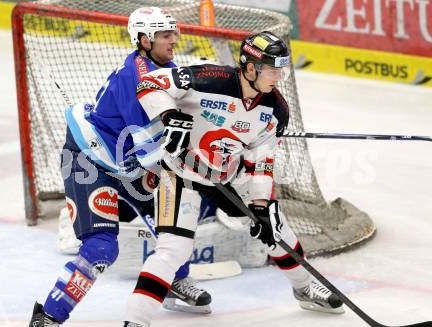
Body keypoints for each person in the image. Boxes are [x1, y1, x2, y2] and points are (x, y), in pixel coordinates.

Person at [123, 31, 345, 326]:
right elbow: (149, 84)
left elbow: (261, 162)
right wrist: (169, 117)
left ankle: (304, 289)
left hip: (229, 173)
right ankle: (135, 321)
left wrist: (259, 205)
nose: (278, 76)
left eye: (281, 68)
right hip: (179, 172)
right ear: (250, 67)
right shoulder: (206, 78)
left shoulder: (276, 109)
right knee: (172, 250)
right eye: (271, 68)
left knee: (275, 229)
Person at [28, 7, 212, 327]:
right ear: (144, 40)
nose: (174, 40)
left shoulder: (166, 69)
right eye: (165, 35)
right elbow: (150, 147)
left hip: (130, 164)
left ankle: (172, 281)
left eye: (173, 33)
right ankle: (48, 317)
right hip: (91, 161)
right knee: (101, 248)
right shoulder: (136, 77)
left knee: (174, 228)